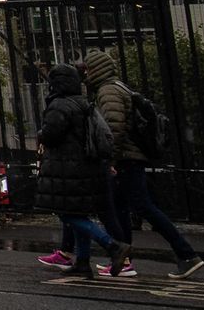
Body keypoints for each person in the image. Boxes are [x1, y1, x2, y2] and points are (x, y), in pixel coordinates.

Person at [82, 50, 204, 279]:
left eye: (87, 68)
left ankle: (186, 254)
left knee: (143, 207)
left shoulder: (108, 91)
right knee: (121, 209)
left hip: (126, 159)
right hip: (130, 157)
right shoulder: (118, 87)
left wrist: (111, 160)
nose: (85, 73)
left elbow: (112, 129)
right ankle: (124, 260)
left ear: (96, 68)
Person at [34, 63, 131, 279]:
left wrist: (41, 133)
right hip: (88, 166)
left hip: (68, 167)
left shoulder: (59, 105)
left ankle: (112, 245)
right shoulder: (83, 103)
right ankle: (83, 261)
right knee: (77, 212)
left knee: (68, 214)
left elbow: (52, 135)